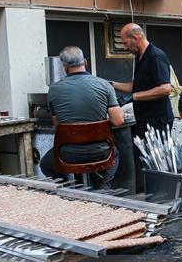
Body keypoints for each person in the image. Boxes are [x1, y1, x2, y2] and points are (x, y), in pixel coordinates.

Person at [40, 46, 124, 189]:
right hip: (101, 153)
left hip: (67, 155)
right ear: (85, 62)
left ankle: (70, 188)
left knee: (45, 164)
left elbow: (58, 126)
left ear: (64, 68)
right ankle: (102, 186)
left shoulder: (54, 89)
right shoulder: (104, 85)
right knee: (115, 154)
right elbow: (118, 121)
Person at [110, 23, 173, 138]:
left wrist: (136, 96)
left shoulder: (155, 56)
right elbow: (137, 86)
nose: (125, 47)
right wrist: (111, 84)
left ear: (135, 38)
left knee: (154, 156)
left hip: (157, 121)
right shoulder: (139, 57)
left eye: (125, 43)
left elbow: (165, 89)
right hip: (143, 120)